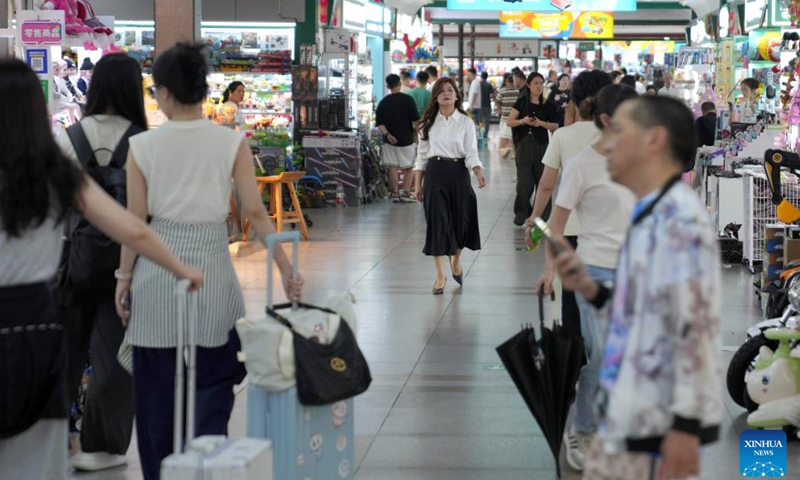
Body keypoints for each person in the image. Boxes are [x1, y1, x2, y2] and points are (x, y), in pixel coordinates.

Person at [0, 58, 203, 480]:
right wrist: (181, 268)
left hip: (67, 274)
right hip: (45, 313)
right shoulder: (60, 168)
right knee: (109, 365)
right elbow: (137, 226)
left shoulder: (68, 143)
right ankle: (102, 445)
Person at [114, 43, 304, 480]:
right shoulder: (231, 141)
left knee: (156, 395)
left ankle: (162, 472)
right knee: (213, 385)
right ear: (203, 90)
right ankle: (207, 468)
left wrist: (123, 277)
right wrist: (285, 267)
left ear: (163, 92)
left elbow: (135, 222)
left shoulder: (141, 146)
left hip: (157, 272)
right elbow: (256, 213)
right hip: (214, 272)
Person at [552, 96, 722, 480]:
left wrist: (684, 427)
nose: (607, 144)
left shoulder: (679, 219)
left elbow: (695, 329)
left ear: (653, 140)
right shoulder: (649, 211)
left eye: (619, 132)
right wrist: (592, 290)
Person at [534, 84, 638, 473]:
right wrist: (550, 269)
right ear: (607, 120)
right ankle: (581, 428)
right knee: (602, 352)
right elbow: (557, 225)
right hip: (592, 269)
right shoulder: (582, 165)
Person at [54, 53, 148, 472]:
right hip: (127, 268)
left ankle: (53, 436)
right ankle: (104, 446)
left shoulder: (68, 139)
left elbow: (53, 205)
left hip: (70, 264)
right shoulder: (143, 143)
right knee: (115, 359)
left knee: (62, 356)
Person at [525, 69, 612, 340]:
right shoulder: (619, 135)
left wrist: (534, 219)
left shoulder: (563, 136)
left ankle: (575, 356)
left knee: (572, 303)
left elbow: (546, 185)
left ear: (574, 101)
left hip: (569, 230)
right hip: (608, 231)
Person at [413, 78, 487, 295]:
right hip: (434, 175)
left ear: (456, 95)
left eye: (450, 90)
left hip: (459, 175)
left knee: (461, 224)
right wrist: (418, 184)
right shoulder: (427, 123)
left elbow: (471, 152)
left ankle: (455, 261)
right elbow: (421, 157)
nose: (446, 93)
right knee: (437, 225)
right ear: (435, 97)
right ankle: (440, 275)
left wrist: (478, 171)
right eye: (441, 91)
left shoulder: (465, 122)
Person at [506, 72, 559, 225]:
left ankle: (541, 217)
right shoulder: (522, 102)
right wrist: (522, 121)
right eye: (535, 83)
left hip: (541, 146)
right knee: (523, 182)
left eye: (541, 83)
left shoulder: (548, 104)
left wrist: (541, 123)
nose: (539, 86)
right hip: (523, 145)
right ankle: (522, 211)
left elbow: (555, 126)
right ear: (528, 85)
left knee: (543, 181)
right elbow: (510, 121)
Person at [375, 73, 421, 203]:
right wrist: (417, 136)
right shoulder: (408, 100)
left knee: (392, 167)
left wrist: (388, 135)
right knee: (409, 167)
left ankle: (395, 193)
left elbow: (380, 123)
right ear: (400, 84)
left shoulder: (383, 102)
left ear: (387, 86)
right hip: (406, 139)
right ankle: (406, 192)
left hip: (389, 141)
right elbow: (416, 121)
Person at [497, 73, 519, 158]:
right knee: (514, 136)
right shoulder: (518, 91)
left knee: (504, 135)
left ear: (506, 81)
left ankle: (507, 147)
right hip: (515, 117)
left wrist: (500, 109)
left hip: (505, 117)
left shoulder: (502, 91)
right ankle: (514, 153)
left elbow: (498, 101)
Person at [479, 71, 495, 140]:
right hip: (488, 105)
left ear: (481, 76)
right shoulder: (489, 85)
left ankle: (480, 135)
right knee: (487, 122)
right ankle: (485, 135)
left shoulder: (478, 84)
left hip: (480, 105)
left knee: (480, 121)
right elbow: (493, 95)